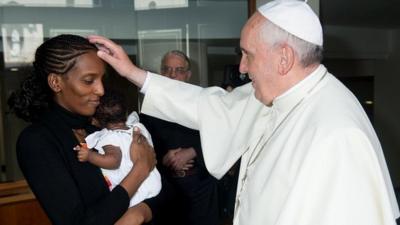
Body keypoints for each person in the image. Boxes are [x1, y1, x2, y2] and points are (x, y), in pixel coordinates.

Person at [88, 0, 400, 224]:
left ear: (284, 58)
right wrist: (133, 73)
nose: (241, 67)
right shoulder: (279, 92)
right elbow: (209, 105)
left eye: (248, 55)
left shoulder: (338, 134)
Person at [7, 34, 158, 225]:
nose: (101, 90)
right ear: (56, 82)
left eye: (101, 79)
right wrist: (140, 170)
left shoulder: (102, 124)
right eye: (89, 80)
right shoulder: (37, 141)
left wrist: (138, 214)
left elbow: (168, 190)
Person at [139, 50, 219, 225]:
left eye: (179, 70)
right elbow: (144, 146)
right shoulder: (148, 109)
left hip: (201, 187)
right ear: (161, 73)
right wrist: (162, 159)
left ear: (188, 75)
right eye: (167, 69)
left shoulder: (205, 102)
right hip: (167, 188)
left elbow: (221, 136)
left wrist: (192, 151)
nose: (172, 75)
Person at [74, 89, 161, 208]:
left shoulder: (110, 138)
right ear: (126, 113)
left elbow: (114, 161)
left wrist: (90, 156)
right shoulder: (138, 127)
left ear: (96, 121)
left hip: (134, 193)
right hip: (152, 182)